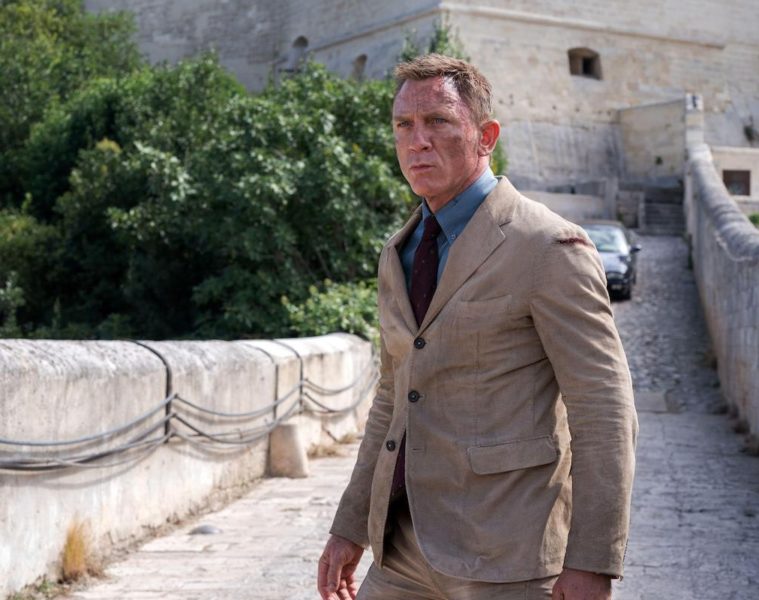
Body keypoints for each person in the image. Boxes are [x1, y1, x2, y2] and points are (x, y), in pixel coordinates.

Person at [318, 53, 638, 600]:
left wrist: (592, 561)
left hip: (509, 554)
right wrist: (350, 525)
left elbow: (604, 407)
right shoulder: (399, 251)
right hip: (402, 549)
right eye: (403, 125)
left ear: (485, 136)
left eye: (438, 121)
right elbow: (393, 396)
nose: (417, 141)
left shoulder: (548, 247)